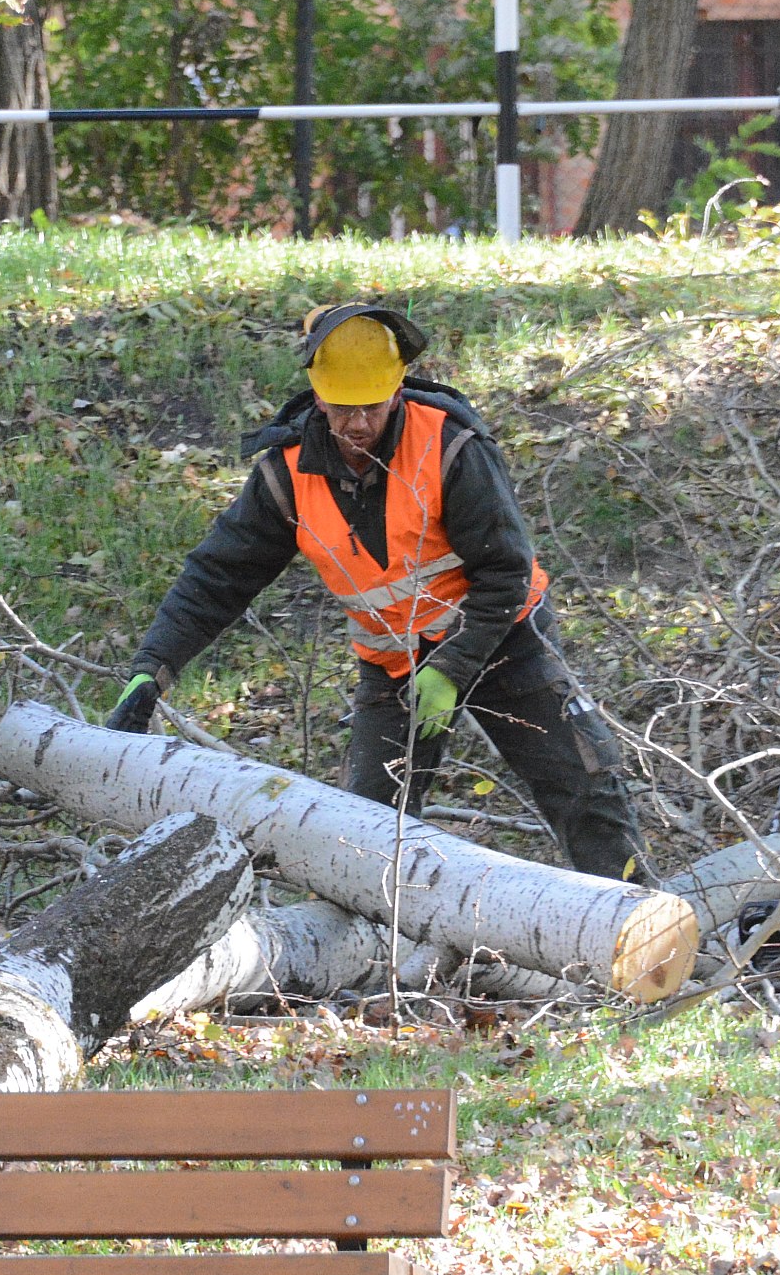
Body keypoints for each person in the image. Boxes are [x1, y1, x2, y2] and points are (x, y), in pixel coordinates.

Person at [105, 304, 649, 882]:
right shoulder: (287, 471)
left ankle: (637, 918)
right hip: (393, 664)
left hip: (504, 639)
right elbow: (218, 576)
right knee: (366, 831)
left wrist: (454, 665)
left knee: (583, 790)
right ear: (318, 396)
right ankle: (366, 963)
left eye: (372, 404)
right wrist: (153, 667)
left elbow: (506, 571)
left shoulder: (451, 446)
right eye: (343, 408)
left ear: (396, 391)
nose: (358, 423)